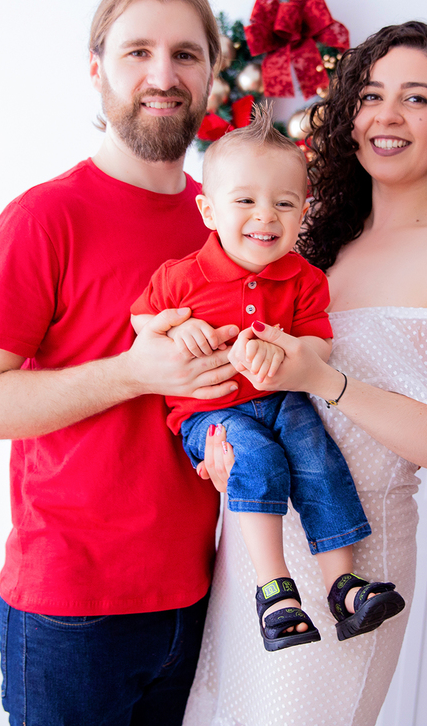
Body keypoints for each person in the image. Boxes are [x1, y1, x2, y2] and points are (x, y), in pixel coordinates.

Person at [183, 21, 427, 726]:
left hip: (356, 561)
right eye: (370, 95)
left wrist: (323, 380)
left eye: (416, 98)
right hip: (260, 548)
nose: (387, 115)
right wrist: (227, 454)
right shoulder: (318, 240)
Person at [0, 0, 240, 726]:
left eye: (185, 54)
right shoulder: (45, 220)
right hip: (71, 612)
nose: (162, 74)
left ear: (213, 71)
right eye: (137, 51)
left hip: (196, 594)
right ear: (97, 70)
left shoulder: (228, 225)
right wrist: (133, 373)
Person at [130, 106, 405, 654]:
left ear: (304, 211)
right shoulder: (180, 277)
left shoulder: (303, 279)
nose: (266, 216)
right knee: (257, 460)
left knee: (318, 456)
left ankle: (342, 586)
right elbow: (143, 323)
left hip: (282, 399)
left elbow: (319, 343)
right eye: (246, 201)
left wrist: (292, 352)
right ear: (209, 211)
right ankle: (275, 591)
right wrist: (175, 332)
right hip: (211, 412)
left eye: (284, 203)